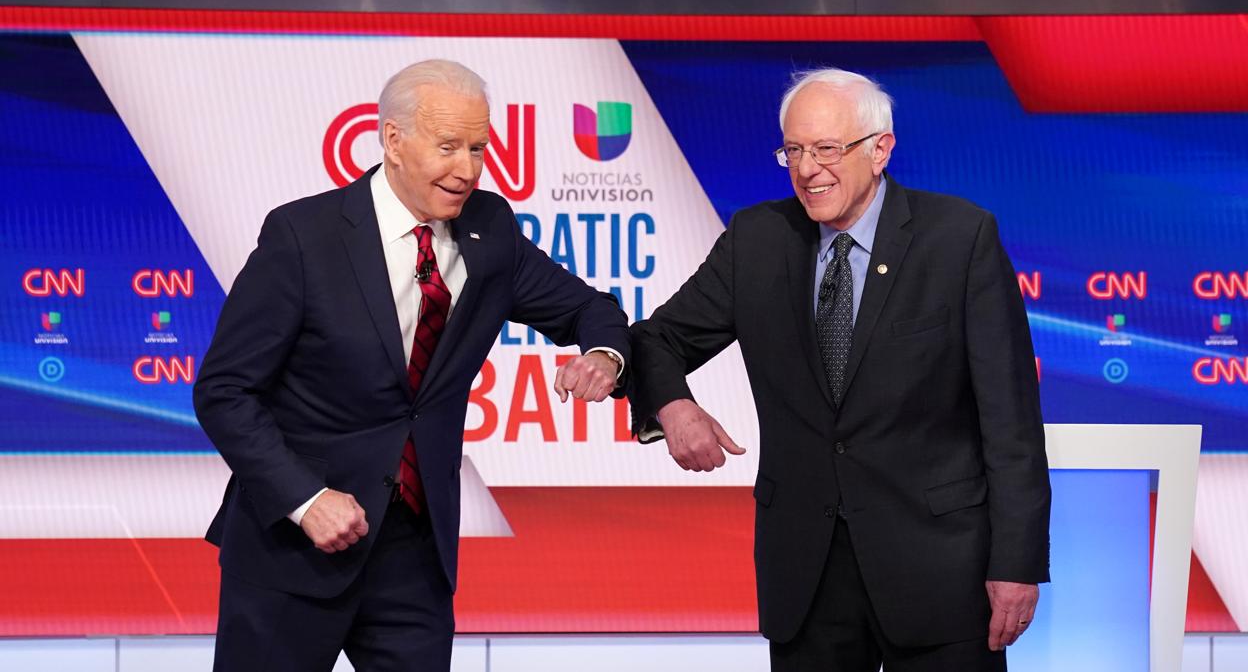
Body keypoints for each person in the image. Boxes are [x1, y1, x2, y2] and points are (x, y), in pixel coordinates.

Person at [194, 59, 629, 672]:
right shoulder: (303, 236)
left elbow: (590, 309)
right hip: (294, 547)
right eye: (449, 146)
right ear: (393, 141)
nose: (468, 169)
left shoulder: (490, 229)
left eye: (478, 148)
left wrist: (603, 355)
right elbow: (225, 391)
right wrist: (305, 498)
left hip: (414, 558)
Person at [629, 67, 1050, 671]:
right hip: (808, 576)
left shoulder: (960, 239)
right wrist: (672, 404)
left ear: (881, 149)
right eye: (793, 151)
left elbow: (1011, 420)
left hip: (940, 573)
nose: (806, 169)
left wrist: (1016, 562)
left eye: (826, 149)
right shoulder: (757, 239)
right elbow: (656, 338)